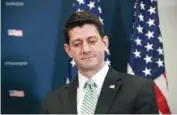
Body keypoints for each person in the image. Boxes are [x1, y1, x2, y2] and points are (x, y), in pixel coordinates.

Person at [40, 11, 159, 114]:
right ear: (68, 50)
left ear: (105, 43)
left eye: (92, 41)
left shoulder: (139, 89)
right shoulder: (51, 103)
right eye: (77, 44)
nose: (86, 49)